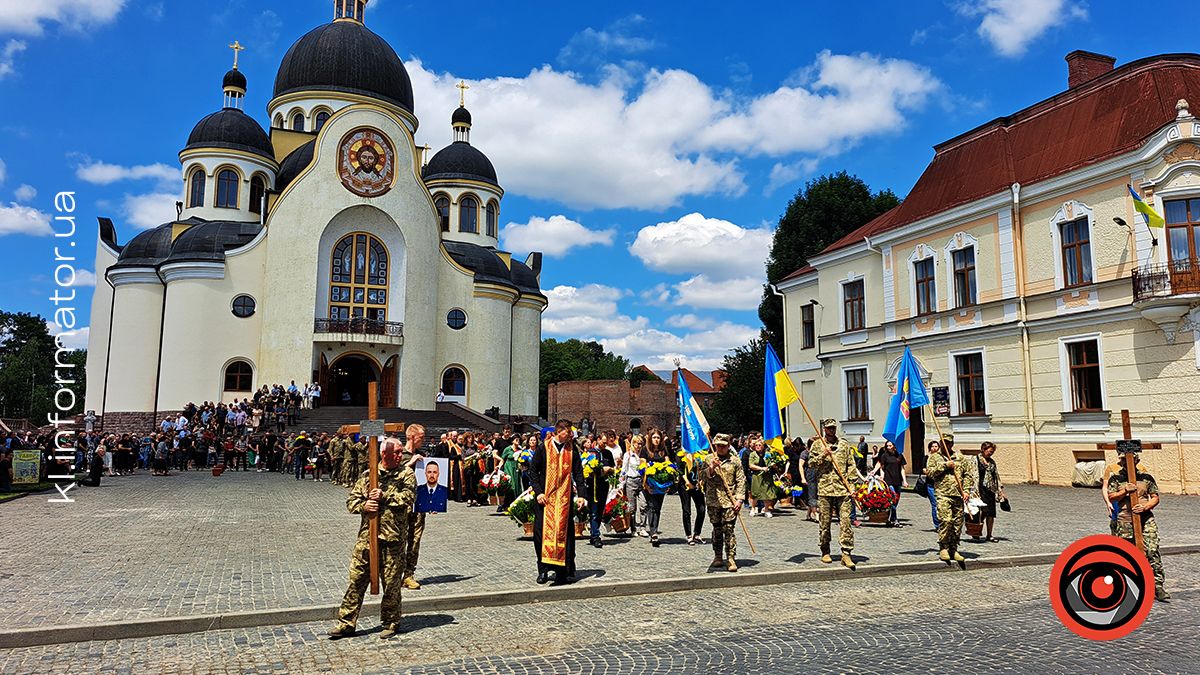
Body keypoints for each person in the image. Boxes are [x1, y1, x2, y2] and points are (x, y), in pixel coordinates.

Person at [328, 437, 417, 640]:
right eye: (397, 452)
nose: (400, 455)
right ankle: (346, 623)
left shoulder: (406, 474)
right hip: (367, 538)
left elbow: (409, 498)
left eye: (401, 452)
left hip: (392, 538)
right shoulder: (369, 475)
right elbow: (351, 501)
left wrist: (384, 496)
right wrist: (364, 506)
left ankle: (391, 622)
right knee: (356, 579)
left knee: (391, 583)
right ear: (384, 454)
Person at [1106, 453, 1169, 601]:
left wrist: (1145, 507)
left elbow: (1155, 497)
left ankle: (1157, 586)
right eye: (1122, 459)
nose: (1126, 461)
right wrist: (1125, 491)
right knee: (1126, 555)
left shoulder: (1146, 478)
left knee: (1152, 550)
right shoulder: (1116, 479)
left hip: (1145, 519)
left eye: (1130, 459)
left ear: (1136, 460)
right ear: (1120, 461)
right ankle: (1128, 587)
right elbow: (1111, 497)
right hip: (1124, 521)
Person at [530, 420, 586, 585]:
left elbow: (579, 473)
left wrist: (582, 495)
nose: (570, 435)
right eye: (568, 431)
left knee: (564, 534)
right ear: (560, 431)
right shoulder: (544, 447)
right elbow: (533, 471)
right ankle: (543, 569)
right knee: (541, 534)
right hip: (545, 499)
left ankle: (562, 571)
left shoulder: (572, 450)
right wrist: (538, 492)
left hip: (564, 498)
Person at [810, 419, 858, 570]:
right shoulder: (818, 445)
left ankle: (846, 553)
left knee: (845, 522)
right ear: (824, 429)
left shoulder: (844, 444)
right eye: (829, 428)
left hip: (842, 489)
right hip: (825, 489)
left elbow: (851, 465)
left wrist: (852, 485)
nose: (831, 431)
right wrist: (823, 455)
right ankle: (825, 549)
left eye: (833, 428)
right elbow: (810, 464)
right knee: (825, 522)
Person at [925, 437, 974, 564]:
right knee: (945, 520)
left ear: (952, 444)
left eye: (948, 443)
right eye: (943, 442)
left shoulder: (960, 457)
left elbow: (968, 475)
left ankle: (954, 548)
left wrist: (967, 490)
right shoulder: (935, 457)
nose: (945, 445)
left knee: (957, 523)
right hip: (943, 494)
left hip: (958, 494)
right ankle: (944, 547)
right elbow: (930, 473)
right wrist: (945, 465)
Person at [704, 434, 745, 572]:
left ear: (728, 446)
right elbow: (703, 478)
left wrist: (739, 499)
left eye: (723, 445)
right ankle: (718, 556)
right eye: (718, 445)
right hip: (714, 500)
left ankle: (731, 557)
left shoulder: (735, 461)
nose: (720, 448)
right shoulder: (708, 459)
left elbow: (741, 480)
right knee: (717, 529)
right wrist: (711, 468)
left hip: (730, 501)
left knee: (729, 529)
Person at [401, 424, 427, 590]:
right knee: (399, 540)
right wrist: (409, 463)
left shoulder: (422, 455)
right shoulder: (399, 454)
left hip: (418, 505)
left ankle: (409, 574)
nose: (423, 440)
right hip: (401, 506)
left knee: (415, 540)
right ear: (411, 437)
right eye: (421, 437)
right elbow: (391, 475)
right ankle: (395, 573)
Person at [583, 432, 616, 548]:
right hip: (593, 485)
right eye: (603, 442)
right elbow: (586, 468)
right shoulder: (591, 453)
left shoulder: (608, 453)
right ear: (597, 440)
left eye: (606, 443)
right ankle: (596, 535)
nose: (604, 445)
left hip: (604, 485)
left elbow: (613, 467)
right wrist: (601, 470)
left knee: (600, 510)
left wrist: (610, 470)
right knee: (594, 510)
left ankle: (593, 534)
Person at [971, 441, 1004, 542]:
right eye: (989, 451)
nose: (991, 453)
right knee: (981, 512)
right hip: (979, 489)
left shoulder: (992, 462)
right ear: (983, 449)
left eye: (992, 452)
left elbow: (996, 476)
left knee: (991, 513)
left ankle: (989, 535)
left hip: (990, 490)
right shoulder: (976, 460)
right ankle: (976, 531)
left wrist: (1000, 490)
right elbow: (971, 474)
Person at [869, 440, 907, 527]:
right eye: (887, 446)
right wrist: (882, 476)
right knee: (893, 498)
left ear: (894, 446)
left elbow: (902, 469)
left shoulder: (899, 455)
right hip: (888, 480)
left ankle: (889, 518)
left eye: (890, 445)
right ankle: (895, 519)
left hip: (898, 480)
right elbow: (882, 467)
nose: (889, 447)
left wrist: (904, 480)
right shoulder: (884, 456)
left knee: (896, 501)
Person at [621, 434, 647, 537]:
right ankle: (633, 528)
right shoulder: (628, 455)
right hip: (631, 481)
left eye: (641, 443)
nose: (639, 445)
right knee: (632, 507)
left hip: (641, 481)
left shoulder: (643, 454)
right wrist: (621, 484)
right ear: (633, 443)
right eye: (637, 443)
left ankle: (643, 527)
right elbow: (624, 470)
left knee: (644, 504)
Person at [678, 449, 706, 545]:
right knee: (686, 510)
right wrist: (687, 482)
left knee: (701, 508)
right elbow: (680, 470)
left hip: (697, 484)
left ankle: (697, 534)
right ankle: (689, 535)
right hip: (685, 485)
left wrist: (701, 480)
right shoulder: (680, 454)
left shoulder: (700, 454)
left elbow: (703, 469)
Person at [747, 438, 778, 517]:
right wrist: (761, 468)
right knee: (755, 493)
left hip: (767, 476)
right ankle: (753, 508)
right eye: (756, 445)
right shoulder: (752, 454)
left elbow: (771, 462)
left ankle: (766, 509)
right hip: (757, 476)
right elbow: (751, 465)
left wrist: (774, 465)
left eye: (759, 445)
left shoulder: (768, 454)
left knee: (766, 493)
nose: (757, 447)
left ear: (763, 446)